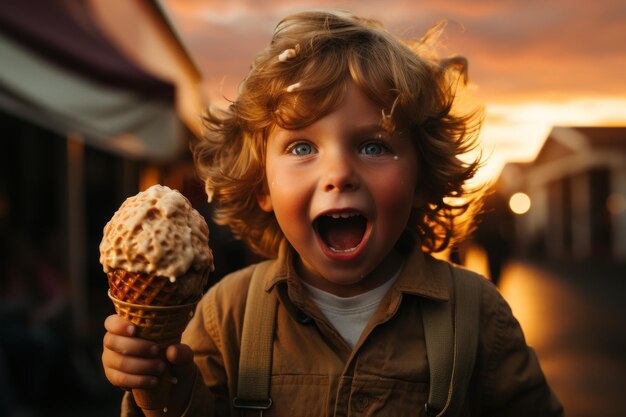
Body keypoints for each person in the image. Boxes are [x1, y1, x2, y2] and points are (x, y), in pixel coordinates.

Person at [101, 10, 563, 416]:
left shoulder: (477, 314)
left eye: (373, 145)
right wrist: (163, 391)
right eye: (303, 146)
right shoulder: (227, 313)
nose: (339, 173)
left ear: (421, 180)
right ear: (262, 185)